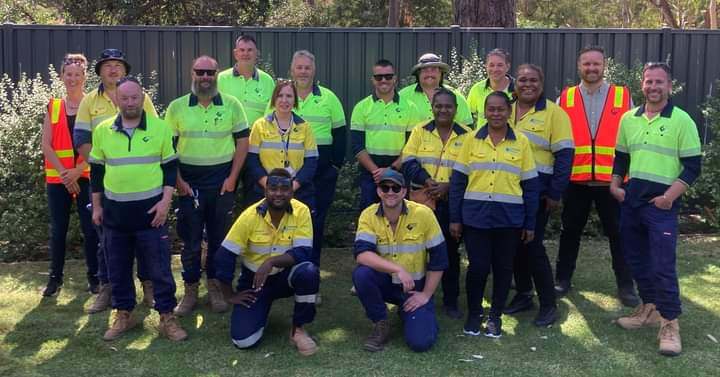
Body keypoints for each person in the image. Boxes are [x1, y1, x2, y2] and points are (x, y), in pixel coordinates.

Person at [611, 62, 701, 357]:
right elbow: (621, 158)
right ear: (642, 85)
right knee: (636, 259)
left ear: (669, 86)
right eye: (649, 81)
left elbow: (692, 167)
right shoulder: (629, 119)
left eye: (659, 82)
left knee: (662, 264)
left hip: (661, 205)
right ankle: (648, 309)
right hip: (632, 201)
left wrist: (668, 198)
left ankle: (669, 322)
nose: (653, 87)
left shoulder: (682, 120)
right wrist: (615, 186)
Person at [88, 77, 187, 342]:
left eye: (134, 97)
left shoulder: (160, 128)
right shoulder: (102, 131)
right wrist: (96, 207)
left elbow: (169, 170)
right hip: (114, 217)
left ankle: (167, 317)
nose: (130, 103)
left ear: (142, 98)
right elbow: (96, 173)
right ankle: (124, 314)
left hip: (151, 216)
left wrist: (166, 203)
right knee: (118, 270)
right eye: (125, 98)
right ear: (116, 100)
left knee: (160, 270)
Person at [74, 48, 158, 314]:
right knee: (107, 240)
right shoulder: (89, 101)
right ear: (99, 71)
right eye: (107, 66)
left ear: (125, 70)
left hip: (142, 186)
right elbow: (81, 140)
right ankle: (107, 287)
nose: (113, 70)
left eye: (118, 66)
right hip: (107, 186)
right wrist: (105, 164)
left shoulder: (140, 98)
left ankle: (148, 287)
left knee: (145, 240)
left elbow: (156, 135)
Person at [450, 91, 540, 337]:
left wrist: (530, 222)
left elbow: (531, 186)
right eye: (491, 109)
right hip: (475, 218)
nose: (496, 113)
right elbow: (458, 182)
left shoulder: (521, 142)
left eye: (501, 109)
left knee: (503, 268)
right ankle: (474, 313)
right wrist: (455, 218)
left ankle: (495, 317)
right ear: (485, 111)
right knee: (478, 267)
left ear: (509, 112)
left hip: (508, 219)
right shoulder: (470, 140)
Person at [165, 55, 249, 316]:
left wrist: (233, 178)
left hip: (222, 180)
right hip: (188, 182)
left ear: (216, 75)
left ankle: (215, 287)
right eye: (200, 72)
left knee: (219, 239)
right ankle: (190, 290)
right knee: (190, 240)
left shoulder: (232, 105)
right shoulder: (177, 107)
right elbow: (167, 148)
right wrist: (178, 181)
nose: (205, 77)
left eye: (209, 73)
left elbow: (243, 143)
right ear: (192, 73)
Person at [555, 46, 639, 306]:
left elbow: (632, 139)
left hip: (611, 182)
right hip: (576, 181)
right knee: (570, 232)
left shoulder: (622, 96)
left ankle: (626, 286)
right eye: (586, 64)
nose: (591, 68)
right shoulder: (565, 98)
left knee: (619, 234)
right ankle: (562, 280)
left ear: (604, 66)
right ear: (579, 66)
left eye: (596, 64)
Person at [214, 168, 320, 356]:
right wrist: (229, 294)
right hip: (255, 282)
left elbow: (303, 252)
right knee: (244, 341)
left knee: (308, 271)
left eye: (284, 189)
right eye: (273, 188)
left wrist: (271, 262)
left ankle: (298, 329)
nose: (278, 193)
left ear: (291, 191)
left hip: (285, 277)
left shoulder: (301, 211)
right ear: (265, 191)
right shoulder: (250, 216)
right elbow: (224, 255)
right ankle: (259, 310)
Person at [504, 64, 574, 327]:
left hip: (539, 190)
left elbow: (565, 155)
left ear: (541, 83)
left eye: (533, 80)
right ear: (515, 83)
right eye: (522, 80)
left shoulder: (555, 113)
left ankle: (548, 304)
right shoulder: (505, 108)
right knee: (515, 245)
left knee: (532, 246)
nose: (527, 84)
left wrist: (555, 192)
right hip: (507, 189)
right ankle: (523, 294)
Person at [352, 169, 448, 352]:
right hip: (386, 282)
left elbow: (439, 258)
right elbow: (362, 254)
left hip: (414, 288)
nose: (390, 192)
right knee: (361, 274)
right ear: (378, 191)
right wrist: (397, 269)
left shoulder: (424, 214)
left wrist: (426, 295)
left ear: (404, 191)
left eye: (395, 188)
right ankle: (381, 322)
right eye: (384, 187)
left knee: (421, 343)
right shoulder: (368, 215)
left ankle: (415, 312)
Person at [401, 88, 470, 319]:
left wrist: (448, 187)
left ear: (456, 109)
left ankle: (451, 301)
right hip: (422, 202)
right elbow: (408, 161)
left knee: (449, 252)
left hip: (451, 203)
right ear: (432, 107)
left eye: (448, 106)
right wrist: (427, 181)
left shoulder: (468, 134)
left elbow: (472, 170)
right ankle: (415, 294)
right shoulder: (420, 131)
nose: (443, 110)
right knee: (418, 252)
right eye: (438, 105)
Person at [40, 53, 99, 297]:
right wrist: (66, 175)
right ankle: (55, 280)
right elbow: (46, 145)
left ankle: (95, 279)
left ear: (85, 77)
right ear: (62, 76)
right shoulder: (53, 106)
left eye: (77, 74)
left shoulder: (93, 106)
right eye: (68, 74)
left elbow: (99, 144)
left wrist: (76, 172)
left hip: (85, 176)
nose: (72, 78)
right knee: (58, 230)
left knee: (91, 229)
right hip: (58, 180)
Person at [289, 50, 346, 265]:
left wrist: (335, 166)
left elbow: (340, 133)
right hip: (291, 168)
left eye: (307, 67)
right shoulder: (283, 95)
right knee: (288, 217)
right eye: (299, 67)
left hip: (322, 169)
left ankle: (310, 269)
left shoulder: (329, 98)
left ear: (314, 71)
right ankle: (288, 268)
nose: (303, 71)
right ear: (292, 70)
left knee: (316, 219)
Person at [353, 58, 422, 211]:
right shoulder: (361, 107)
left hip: (400, 169)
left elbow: (412, 146)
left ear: (395, 79)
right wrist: (376, 171)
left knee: (402, 214)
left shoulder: (410, 108)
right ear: (373, 80)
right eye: (379, 77)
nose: (383, 80)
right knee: (370, 214)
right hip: (371, 173)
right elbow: (357, 146)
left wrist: (391, 169)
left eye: (388, 76)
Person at [246, 80, 318, 209]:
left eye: (289, 96)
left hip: (298, 191)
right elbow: (252, 161)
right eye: (280, 95)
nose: (284, 100)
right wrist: (269, 185)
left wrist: (291, 187)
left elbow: (311, 162)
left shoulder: (305, 127)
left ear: (295, 100)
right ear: (274, 99)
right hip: (265, 191)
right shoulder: (259, 125)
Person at [398, 53, 473, 128]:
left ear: (441, 73)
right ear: (418, 73)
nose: (429, 73)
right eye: (425, 69)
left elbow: (467, 130)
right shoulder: (403, 96)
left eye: (434, 69)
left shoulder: (456, 96)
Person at [217, 35, 276, 126]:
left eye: (250, 50)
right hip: (229, 137)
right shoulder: (221, 79)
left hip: (258, 137)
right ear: (236, 54)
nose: (246, 54)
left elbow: (272, 113)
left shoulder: (267, 81)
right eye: (242, 50)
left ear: (256, 53)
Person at [467, 48, 515, 124]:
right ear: (486, 66)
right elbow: (467, 118)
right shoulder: (477, 89)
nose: (495, 69)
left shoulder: (518, 90)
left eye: (500, 65)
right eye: (491, 65)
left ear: (508, 67)